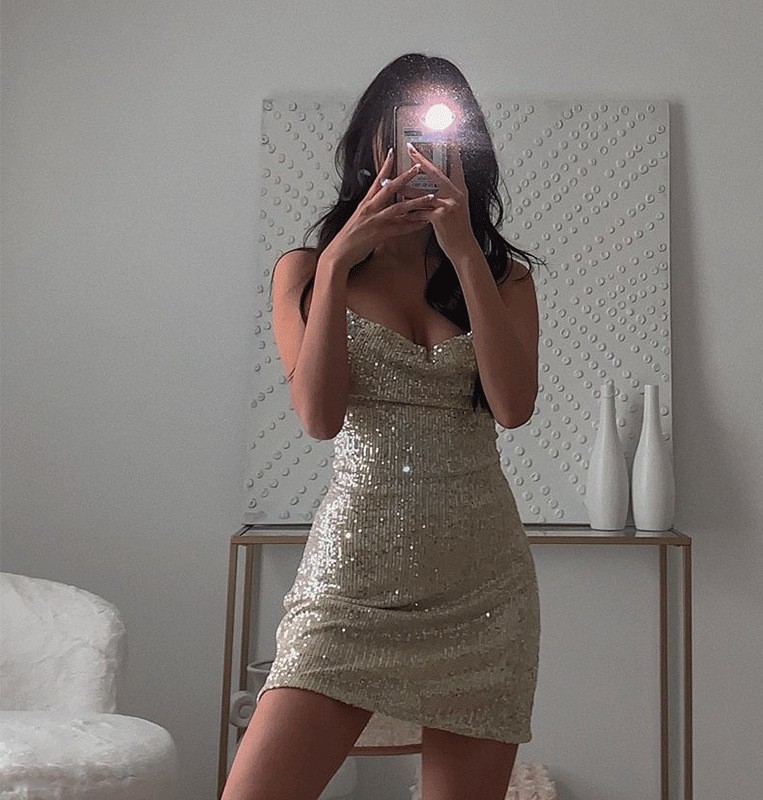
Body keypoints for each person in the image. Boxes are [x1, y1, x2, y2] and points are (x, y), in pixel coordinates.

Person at [222, 53, 547, 800]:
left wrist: (463, 251)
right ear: (373, 139)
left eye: (441, 134)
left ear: (467, 150)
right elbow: (319, 417)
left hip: (482, 587)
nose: (420, 151)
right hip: (352, 580)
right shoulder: (306, 270)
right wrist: (339, 261)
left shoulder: (504, 277)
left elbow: (513, 407)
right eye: (404, 130)